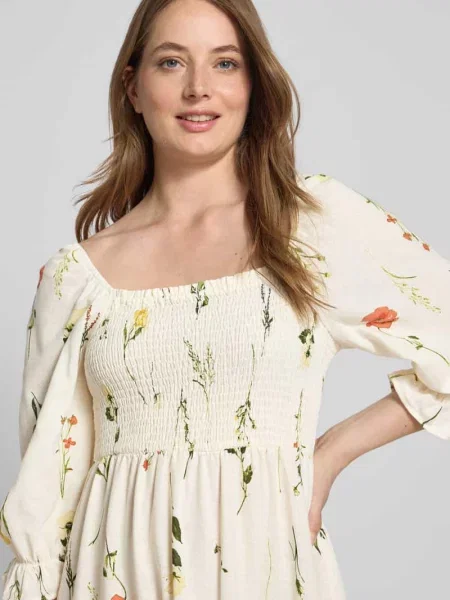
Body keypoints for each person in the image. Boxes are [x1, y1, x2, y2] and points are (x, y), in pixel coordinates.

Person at [1, 0, 449, 598]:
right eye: (171, 62)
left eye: (225, 63)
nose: (198, 88)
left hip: (266, 569)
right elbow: (47, 499)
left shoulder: (311, 229)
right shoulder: (75, 279)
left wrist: (330, 454)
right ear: (133, 87)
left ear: (253, 85)